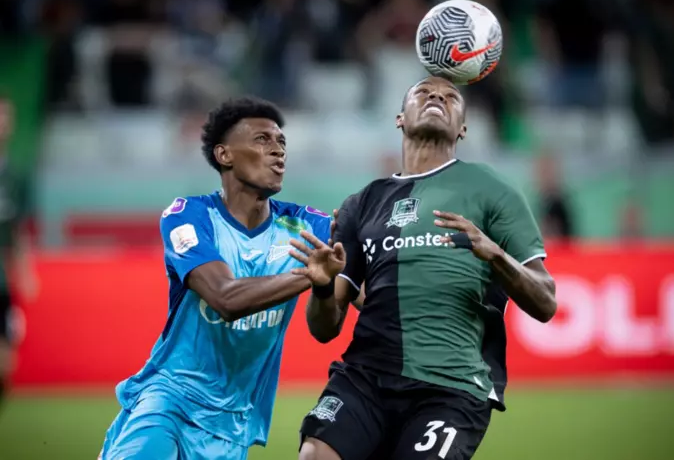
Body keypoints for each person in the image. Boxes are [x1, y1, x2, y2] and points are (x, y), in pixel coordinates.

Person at [295, 76, 558, 460]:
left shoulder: (492, 189)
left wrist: (496, 256)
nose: (436, 96)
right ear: (400, 117)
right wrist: (321, 286)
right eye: (423, 92)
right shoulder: (362, 203)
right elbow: (324, 329)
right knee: (314, 455)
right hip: (366, 378)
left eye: (451, 97)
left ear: (463, 127)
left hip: (450, 388)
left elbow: (546, 302)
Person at [99, 97, 347, 460]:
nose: (278, 150)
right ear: (224, 154)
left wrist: (324, 286)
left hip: (232, 424)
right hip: (170, 401)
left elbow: (330, 327)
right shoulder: (189, 216)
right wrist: (310, 277)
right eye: (262, 140)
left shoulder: (307, 225)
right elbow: (225, 298)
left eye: (281, 142)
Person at [0, 97, 38, 410]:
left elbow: (17, 231)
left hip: (2, 282)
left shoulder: (14, 175)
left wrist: (25, 272)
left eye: (6, 116)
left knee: (6, 363)